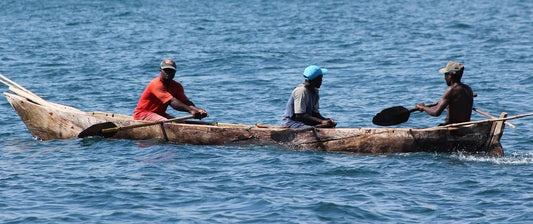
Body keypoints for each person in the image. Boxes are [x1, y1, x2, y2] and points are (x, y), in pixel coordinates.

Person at [133, 59, 208, 121]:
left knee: (181, 123)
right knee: (167, 124)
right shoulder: (156, 84)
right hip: (143, 115)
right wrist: (190, 110)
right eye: (166, 70)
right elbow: (172, 102)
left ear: (175, 72)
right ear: (160, 71)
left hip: (159, 114)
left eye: (171, 71)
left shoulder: (177, 86)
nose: (168, 73)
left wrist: (198, 110)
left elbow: (185, 102)